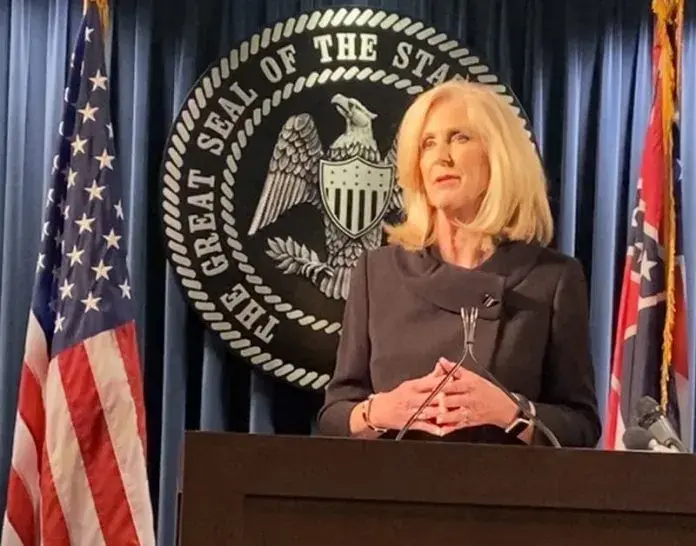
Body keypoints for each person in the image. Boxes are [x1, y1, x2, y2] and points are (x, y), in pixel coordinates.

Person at [315, 80, 601, 448]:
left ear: (498, 156)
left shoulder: (552, 278)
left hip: (500, 483)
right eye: (427, 144)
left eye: (459, 138)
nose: (441, 157)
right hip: (392, 482)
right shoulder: (377, 272)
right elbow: (334, 415)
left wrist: (512, 413)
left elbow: (581, 427)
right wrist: (379, 411)